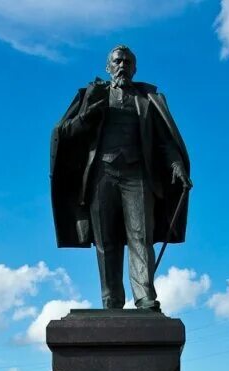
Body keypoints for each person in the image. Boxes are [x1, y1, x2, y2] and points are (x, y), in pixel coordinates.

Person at [51, 45, 192, 310]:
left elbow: (164, 141)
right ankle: (112, 301)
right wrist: (88, 114)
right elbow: (65, 133)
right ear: (108, 67)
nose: (122, 66)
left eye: (128, 62)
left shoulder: (148, 99)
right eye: (117, 61)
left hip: (137, 175)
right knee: (107, 242)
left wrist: (176, 165)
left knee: (141, 237)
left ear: (135, 68)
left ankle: (144, 297)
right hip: (101, 175)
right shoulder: (91, 95)